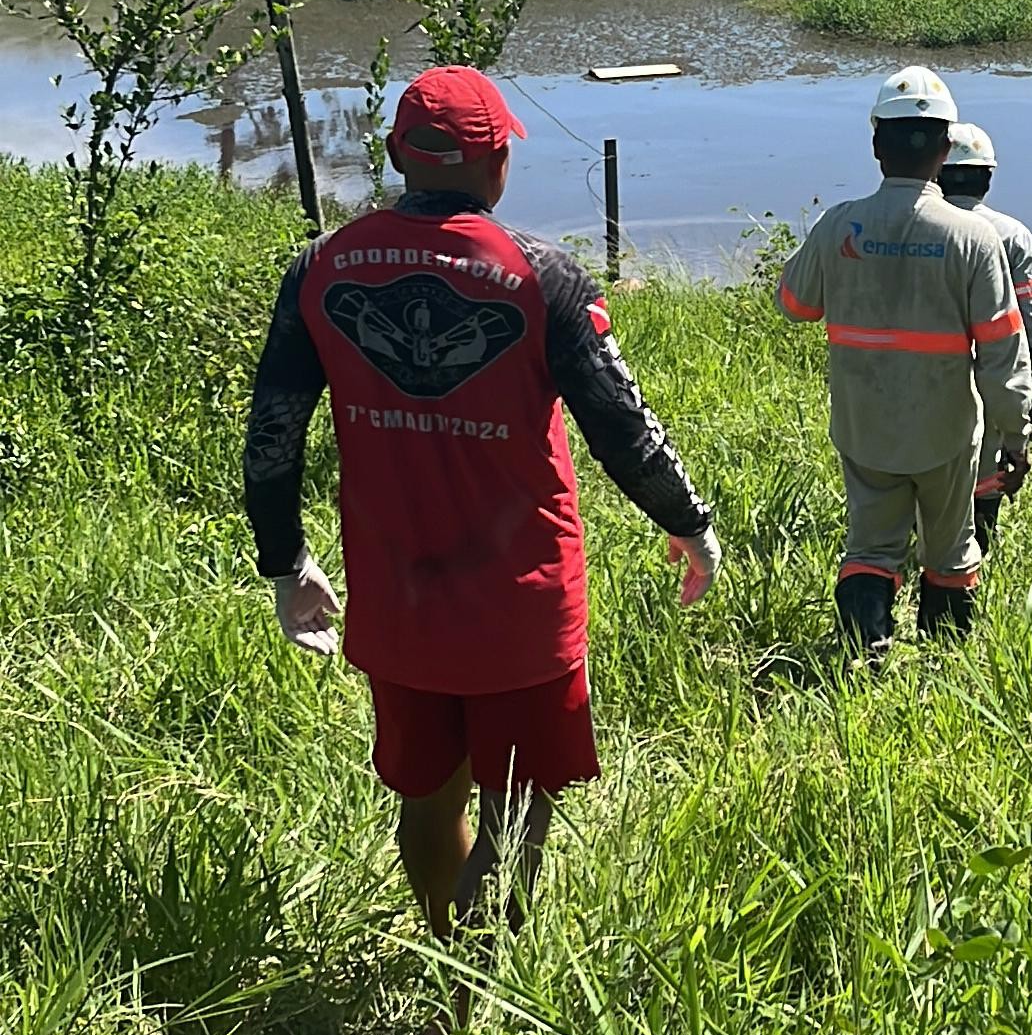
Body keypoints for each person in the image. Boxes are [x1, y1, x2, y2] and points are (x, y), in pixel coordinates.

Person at [243, 64, 719, 957]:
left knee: (427, 795)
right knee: (514, 813)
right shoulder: (541, 276)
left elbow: (272, 436)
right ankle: (469, 997)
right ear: (498, 163)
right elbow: (621, 426)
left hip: (398, 593)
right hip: (520, 598)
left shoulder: (319, 268)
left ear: (395, 155)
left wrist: (285, 565)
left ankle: (440, 954)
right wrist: (688, 524)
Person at [777, 66, 1031, 657]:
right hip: (946, 430)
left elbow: (794, 304)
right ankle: (944, 668)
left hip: (864, 424)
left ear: (875, 145)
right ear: (945, 150)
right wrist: (1014, 435)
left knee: (870, 547)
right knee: (949, 548)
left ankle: (867, 655)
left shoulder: (841, 224)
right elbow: (1002, 352)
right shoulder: (973, 237)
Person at [937, 121, 1032, 550]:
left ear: (938, 172)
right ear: (987, 178)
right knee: (989, 476)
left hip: (924, 378)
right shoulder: (1012, 234)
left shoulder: (921, 225)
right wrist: (1028, 405)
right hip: (996, 376)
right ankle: (976, 561)